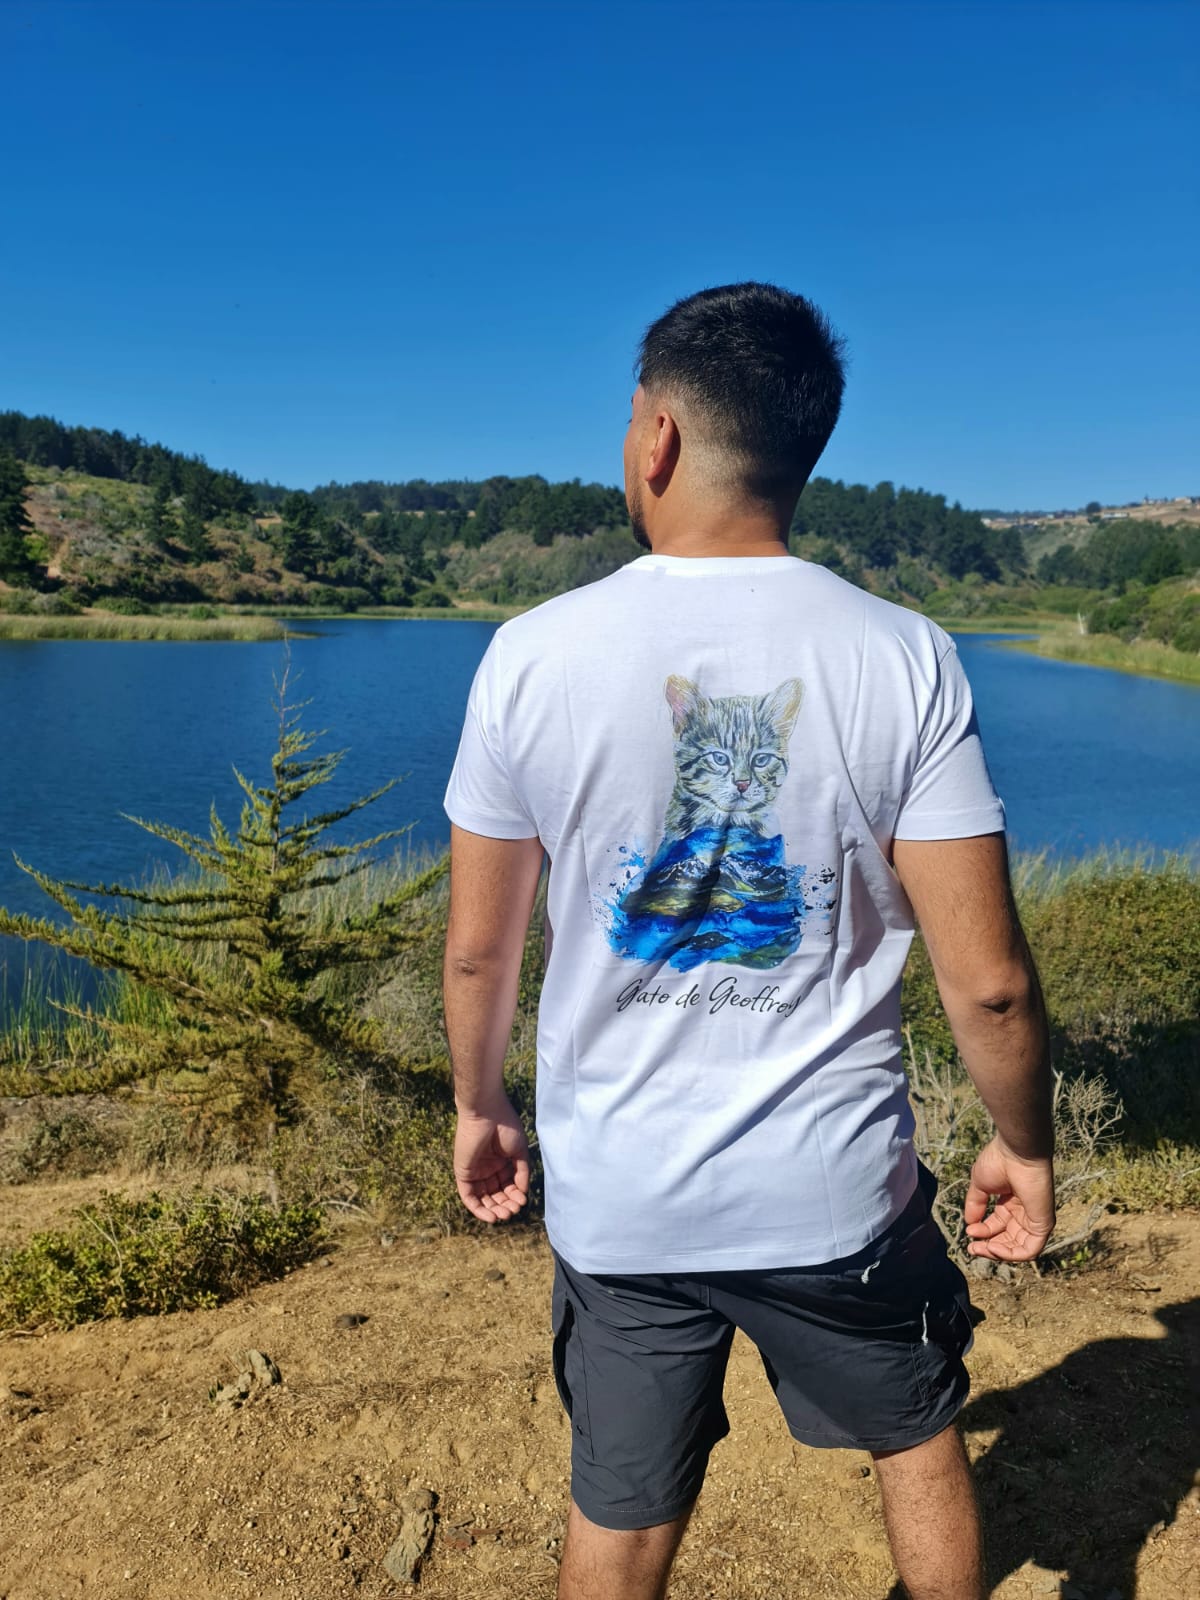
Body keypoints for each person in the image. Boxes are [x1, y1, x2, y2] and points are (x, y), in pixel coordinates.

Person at [442, 281, 1055, 1600]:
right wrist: (1024, 1140)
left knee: (620, 1505)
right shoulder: (906, 657)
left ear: (656, 436)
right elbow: (989, 985)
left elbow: (483, 956)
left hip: (620, 1200)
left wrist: (478, 1100)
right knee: (917, 1440)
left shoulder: (531, 656)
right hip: (834, 1195)